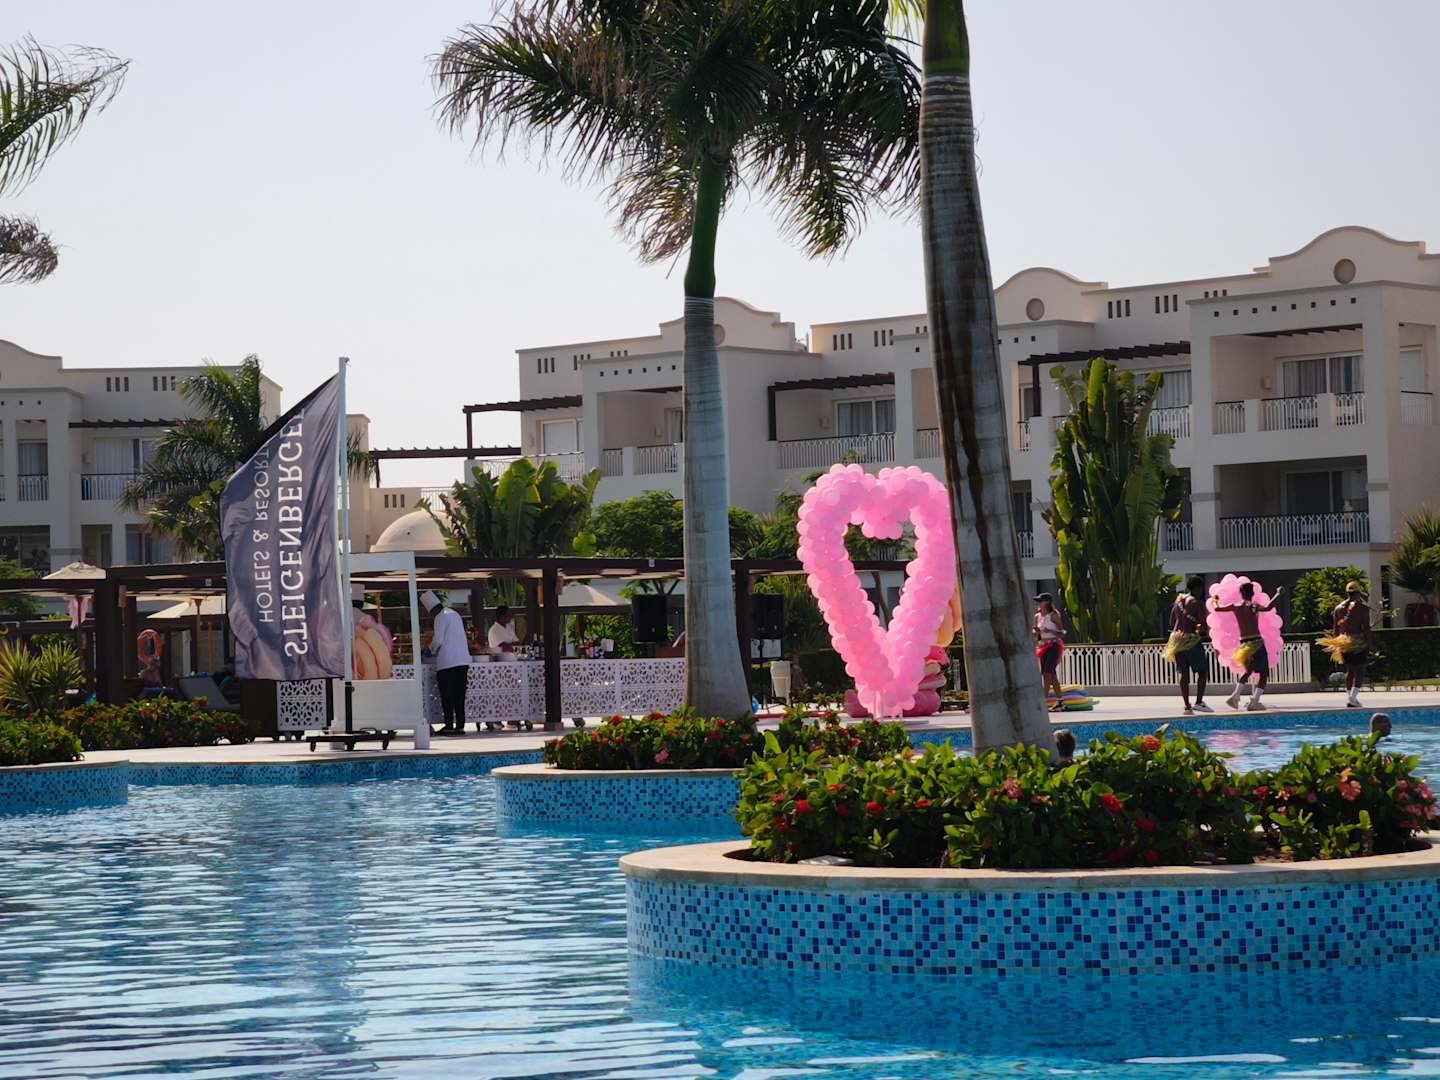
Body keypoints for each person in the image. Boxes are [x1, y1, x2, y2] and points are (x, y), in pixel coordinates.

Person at [1210, 582, 1284, 711]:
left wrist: (1214, 600)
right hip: (1256, 643)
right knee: (1264, 673)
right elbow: (1268, 607)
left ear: (1241, 594)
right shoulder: (1254, 606)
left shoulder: (1236, 606)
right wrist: (1278, 594)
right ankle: (1254, 701)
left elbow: (1217, 608)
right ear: (1253, 593)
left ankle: (1235, 695)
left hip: (1244, 644)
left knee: (1247, 671)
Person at [422, 591, 472, 736]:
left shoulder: (440, 617)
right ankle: (460, 726)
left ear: (432, 610)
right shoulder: (454, 614)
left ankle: (449, 725)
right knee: (459, 696)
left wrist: (428, 650)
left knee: (447, 696)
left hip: (447, 663)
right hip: (462, 661)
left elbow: (438, 640)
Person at [1168, 575, 1212, 715]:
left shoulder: (1178, 601)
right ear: (1198, 588)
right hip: (1191, 640)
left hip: (1176, 640)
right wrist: (1199, 627)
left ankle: (1187, 706)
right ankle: (1199, 702)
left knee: (1183, 673)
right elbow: (1203, 626)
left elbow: (1171, 621)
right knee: (1202, 672)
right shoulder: (1197, 602)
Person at [1332, 581, 1372, 708]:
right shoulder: (1362, 608)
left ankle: (1350, 697)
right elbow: (1366, 628)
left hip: (1344, 642)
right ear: (1358, 593)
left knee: (1350, 670)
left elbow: (1336, 630)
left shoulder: (1338, 608)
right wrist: (1370, 644)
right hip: (1357, 642)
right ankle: (1353, 698)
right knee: (1359, 670)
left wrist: (1336, 646)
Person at [1033, 593, 1065, 711]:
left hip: (1054, 645)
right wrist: (1037, 633)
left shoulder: (1054, 615)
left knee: (1047, 673)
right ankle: (1060, 701)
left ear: (1047, 603)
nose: (1039, 603)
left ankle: (1043, 701)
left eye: (1041, 601)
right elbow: (1037, 636)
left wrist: (1049, 630)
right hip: (1043, 646)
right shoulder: (1037, 616)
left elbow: (1062, 633)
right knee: (1051, 675)